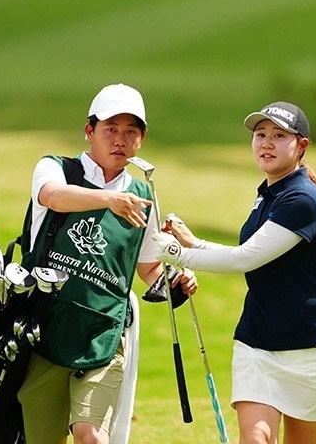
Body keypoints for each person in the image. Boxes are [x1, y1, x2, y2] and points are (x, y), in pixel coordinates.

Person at [155, 101, 316, 444]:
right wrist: (193, 243)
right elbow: (250, 256)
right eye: (260, 135)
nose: (266, 143)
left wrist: (172, 251)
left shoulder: (304, 199)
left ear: (301, 145)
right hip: (258, 344)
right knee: (255, 439)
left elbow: (243, 260)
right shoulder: (268, 195)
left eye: (279, 136)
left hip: (311, 349)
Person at [18, 83, 197, 444]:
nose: (120, 139)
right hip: (45, 328)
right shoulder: (56, 168)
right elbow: (52, 196)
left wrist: (175, 279)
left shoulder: (144, 196)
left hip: (103, 333)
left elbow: (147, 267)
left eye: (130, 131)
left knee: (91, 435)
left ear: (141, 139)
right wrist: (109, 200)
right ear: (90, 132)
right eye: (110, 129)